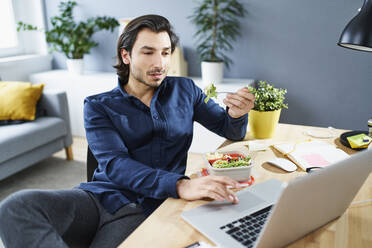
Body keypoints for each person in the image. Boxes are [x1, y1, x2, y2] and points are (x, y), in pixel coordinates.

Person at [0, 14, 254, 248]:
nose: (159, 63)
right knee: (15, 207)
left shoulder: (186, 90)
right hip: (100, 199)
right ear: (126, 56)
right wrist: (180, 184)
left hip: (149, 207)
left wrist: (236, 113)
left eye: (165, 53)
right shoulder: (98, 106)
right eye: (148, 52)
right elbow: (114, 164)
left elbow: (227, 128)